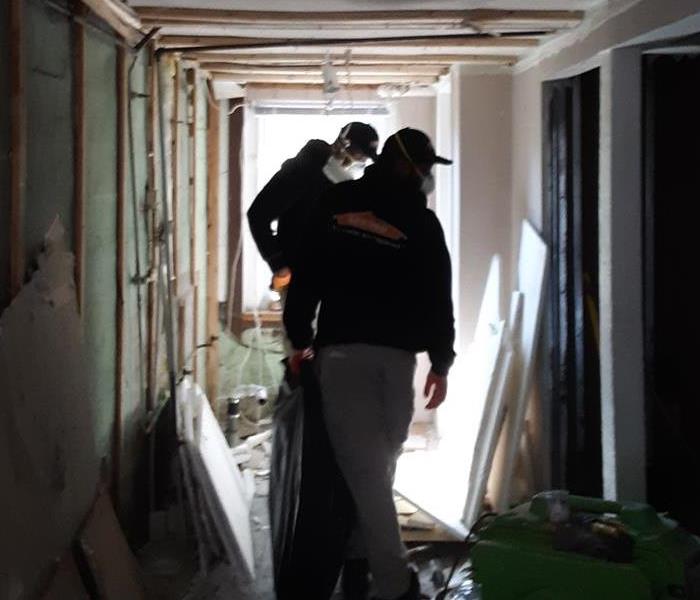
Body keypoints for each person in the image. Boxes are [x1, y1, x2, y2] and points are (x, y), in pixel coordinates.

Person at [283, 128, 456, 600]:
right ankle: (395, 585)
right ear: (401, 163)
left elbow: (438, 293)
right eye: (422, 168)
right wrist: (301, 339)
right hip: (346, 359)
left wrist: (442, 361)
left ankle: (358, 559)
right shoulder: (341, 203)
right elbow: (309, 269)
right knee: (367, 471)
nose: (425, 178)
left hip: (392, 358)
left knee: (380, 466)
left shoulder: (420, 224)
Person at [247, 122, 379, 292]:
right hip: (300, 277)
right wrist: (279, 264)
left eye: (364, 160)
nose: (359, 162)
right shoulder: (303, 171)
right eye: (357, 155)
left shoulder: (343, 187)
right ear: (341, 146)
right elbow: (258, 214)